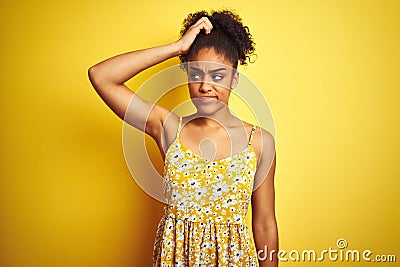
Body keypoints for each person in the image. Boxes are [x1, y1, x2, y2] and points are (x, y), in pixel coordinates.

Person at [88, 9, 278, 267]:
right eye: (196, 75)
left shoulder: (259, 142)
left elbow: (265, 224)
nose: (205, 86)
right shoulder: (167, 128)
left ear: (235, 79)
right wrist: (178, 47)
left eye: (218, 76)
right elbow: (102, 76)